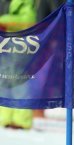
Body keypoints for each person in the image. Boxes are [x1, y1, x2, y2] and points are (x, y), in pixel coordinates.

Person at [0, 0, 36, 130]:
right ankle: (5, 119)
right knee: (4, 82)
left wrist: (3, 20)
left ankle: (22, 120)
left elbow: (28, 19)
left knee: (20, 84)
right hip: (5, 47)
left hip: (20, 47)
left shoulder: (25, 2)